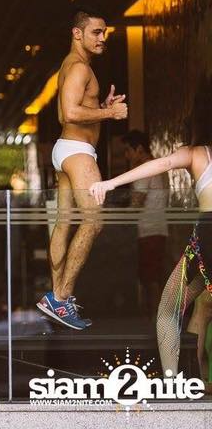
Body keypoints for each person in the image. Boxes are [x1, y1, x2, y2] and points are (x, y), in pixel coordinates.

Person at [89, 119, 212, 376]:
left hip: (208, 235)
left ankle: (174, 383)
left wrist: (111, 183)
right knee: (201, 306)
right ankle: (195, 378)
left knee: (168, 308)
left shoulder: (198, 154)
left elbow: (161, 163)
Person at [37, 9, 128, 330]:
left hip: (68, 149)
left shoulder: (73, 65)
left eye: (105, 33)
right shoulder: (78, 67)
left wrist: (100, 107)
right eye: (96, 33)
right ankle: (60, 298)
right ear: (77, 33)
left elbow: (74, 111)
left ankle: (55, 297)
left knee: (64, 223)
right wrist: (111, 114)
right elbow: (69, 113)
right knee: (93, 221)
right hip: (77, 152)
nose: (103, 38)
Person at [119, 130, 171, 317]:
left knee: (150, 278)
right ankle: (158, 317)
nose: (126, 156)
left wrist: (115, 215)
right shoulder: (159, 167)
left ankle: (155, 318)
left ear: (139, 149)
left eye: (128, 150)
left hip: (149, 230)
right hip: (159, 228)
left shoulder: (144, 170)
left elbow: (136, 204)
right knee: (155, 275)